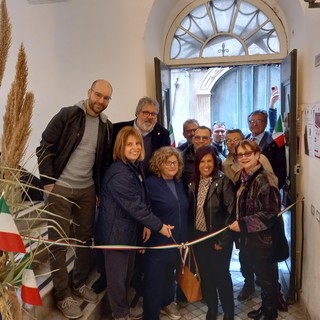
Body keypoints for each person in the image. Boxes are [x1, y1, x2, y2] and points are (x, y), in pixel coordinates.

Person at [36, 79, 113, 319]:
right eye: (98, 95)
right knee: (57, 242)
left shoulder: (106, 126)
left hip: (87, 190)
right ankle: (62, 294)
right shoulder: (68, 115)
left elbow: (101, 162)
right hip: (60, 188)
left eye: (106, 98)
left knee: (84, 238)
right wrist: (49, 182)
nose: (101, 101)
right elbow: (45, 146)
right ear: (89, 92)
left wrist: (99, 190)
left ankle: (79, 282)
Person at [95, 126, 173, 320]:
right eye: (129, 144)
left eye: (137, 143)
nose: (135, 147)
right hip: (115, 236)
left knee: (126, 276)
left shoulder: (134, 167)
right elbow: (135, 206)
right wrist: (159, 226)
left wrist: (145, 225)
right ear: (121, 147)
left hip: (127, 232)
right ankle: (120, 314)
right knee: (117, 280)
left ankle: (123, 311)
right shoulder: (119, 173)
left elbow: (142, 198)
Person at [229, 140, 283, 320]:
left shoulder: (264, 180)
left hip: (264, 241)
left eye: (248, 153)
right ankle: (265, 308)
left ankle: (270, 313)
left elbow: (270, 213)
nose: (244, 157)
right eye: (240, 154)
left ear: (257, 154)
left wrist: (243, 224)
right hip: (254, 240)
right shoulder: (246, 176)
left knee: (267, 280)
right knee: (264, 277)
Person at [189, 145, 236, 320]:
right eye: (202, 161)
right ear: (197, 164)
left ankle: (229, 311)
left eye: (209, 161)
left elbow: (231, 214)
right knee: (206, 275)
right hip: (199, 238)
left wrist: (222, 241)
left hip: (218, 239)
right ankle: (212, 308)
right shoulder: (193, 183)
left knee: (221, 275)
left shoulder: (224, 182)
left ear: (215, 162)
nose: (206, 165)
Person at [143, 146, 188, 320]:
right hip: (158, 242)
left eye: (175, 162)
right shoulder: (150, 183)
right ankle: (151, 315)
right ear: (158, 164)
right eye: (167, 162)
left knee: (170, 277)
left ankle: (167, 304)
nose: (172, 165)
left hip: (178, 241)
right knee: (154, 281)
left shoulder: (179, 182)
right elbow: (144, 209)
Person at [113, 96, 170, 176]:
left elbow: (165, 161)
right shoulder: (117, 129)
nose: (150, 117)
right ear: (137, 113)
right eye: (146, 113)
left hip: (151, 181)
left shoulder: (163, 134)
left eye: (153, 114)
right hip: (123, 177)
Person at [246, 109, 286, 190]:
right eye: (252, 121)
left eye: (259, 121)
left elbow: (281, 168)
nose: (255, 124)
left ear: (266, 123)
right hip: (248, 185)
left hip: (267, 186)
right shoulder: (244, 140)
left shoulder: (274, 142)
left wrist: (275, 186)